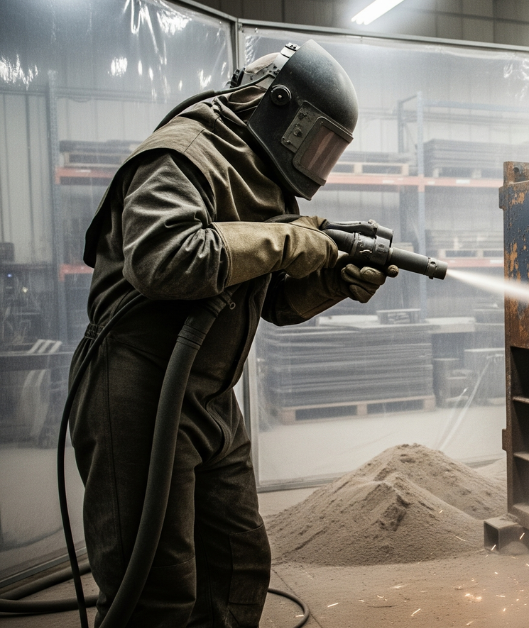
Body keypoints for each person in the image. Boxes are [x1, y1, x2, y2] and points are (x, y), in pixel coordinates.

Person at [68, 40, 393, 626]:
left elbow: (270, 305)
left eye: (330, 152)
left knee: (238, 564)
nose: (316, 162)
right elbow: (165, 259)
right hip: (138, 390)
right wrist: (290, 241)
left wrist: (334, 281)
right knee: (157, 592)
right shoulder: (186, 152)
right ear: (277, 106)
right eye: (315, 140)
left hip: (209, 396)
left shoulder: (262, 180)